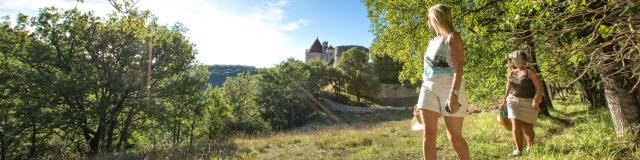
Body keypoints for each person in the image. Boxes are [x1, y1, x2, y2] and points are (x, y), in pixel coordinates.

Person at [414, 4, 470, 160]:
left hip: (449, 88)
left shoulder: (453, 37)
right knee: (428, 134)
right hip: (428, 87)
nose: (427, 21)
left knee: (454, 138)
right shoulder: (432, 41)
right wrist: (420, 101)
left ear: (437, 17)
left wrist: (454, 94)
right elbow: (428, 71)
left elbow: (458, 69)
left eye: (429, 17)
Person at [499, 50, 544, 156]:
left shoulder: (530, 71)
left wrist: (536, 101)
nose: (511, 60)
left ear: (522, 59)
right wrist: (504, 100)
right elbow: (508, 88)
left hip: (529, 102)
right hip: (513, 100)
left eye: (514, 57)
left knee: (528, 126)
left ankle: (530, 147)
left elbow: (539, 88)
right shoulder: (512, 72)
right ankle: (518, 150)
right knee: (515, 124)